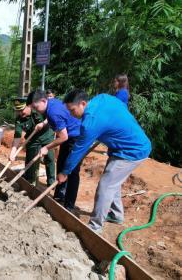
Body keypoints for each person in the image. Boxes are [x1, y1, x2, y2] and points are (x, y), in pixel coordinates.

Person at [58, 90, 151, 233]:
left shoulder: (90, 124)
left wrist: (65, 172)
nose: (71, 114)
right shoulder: (102, 98)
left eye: (72, 110)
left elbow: (78, 150)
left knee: (105, 186)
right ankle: (116, 215)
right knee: (113, 182)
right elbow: (120, 106)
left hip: (131, 151)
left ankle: (94, 228)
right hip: (121, 148)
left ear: (83, 104)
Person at [30, 90, 81, 211]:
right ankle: (59, 196)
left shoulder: (53, 112)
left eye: (36, 107)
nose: (36, 110)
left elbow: (63, 137)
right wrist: (43, 123)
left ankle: (69, 205)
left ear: (43, 101)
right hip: (68, 135)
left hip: (75, 137)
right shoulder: (50, 104)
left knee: (72, 171)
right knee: (61, 164)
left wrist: (46, 147)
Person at [9, 96, 56, 186]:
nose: (20, 112)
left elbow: (51, 116)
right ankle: (30, 183)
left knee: (49, 159)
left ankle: (51, 183)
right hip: (32, 140)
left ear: (28, 106)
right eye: (17, 111)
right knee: (30, 161)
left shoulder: (38, 110)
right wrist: (13, 152)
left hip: (47, 136)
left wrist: (43, 123)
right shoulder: (19, 120)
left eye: (22, 109)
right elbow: (17, 136)